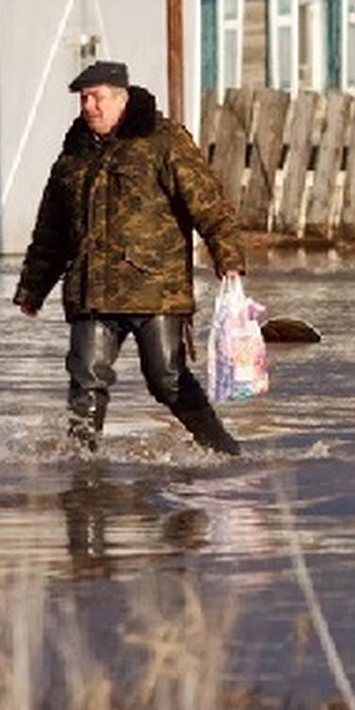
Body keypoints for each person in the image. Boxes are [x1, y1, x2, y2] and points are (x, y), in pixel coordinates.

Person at [13, 59, 245, 455]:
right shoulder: (75, 153)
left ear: (121, 99)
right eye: (84, 99)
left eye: (96, 98)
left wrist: (228, 257)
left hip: (155, 289)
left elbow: (207, 202)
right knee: (86, 380)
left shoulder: (163, 140)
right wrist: (32, 289)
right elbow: (51, 230)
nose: (89, 107)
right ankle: (82, 468)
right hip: (92, 291)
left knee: (166, 378)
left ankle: (222, 449)